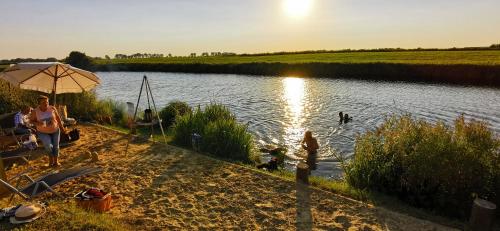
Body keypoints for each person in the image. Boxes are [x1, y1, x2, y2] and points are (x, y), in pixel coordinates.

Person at [30, 95, 67, 167]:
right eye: (43, 102)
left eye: (47, 102)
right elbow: (31, 121)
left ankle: (56, 162)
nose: (46, 103)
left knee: (56, 146)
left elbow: (58, 118)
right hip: (43, 132)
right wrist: (38, 123)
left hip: (55, 130)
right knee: (48, 145)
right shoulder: (35, 111)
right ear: (39, 103)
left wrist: (62, 128)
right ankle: (50, 161)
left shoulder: (52, 108)